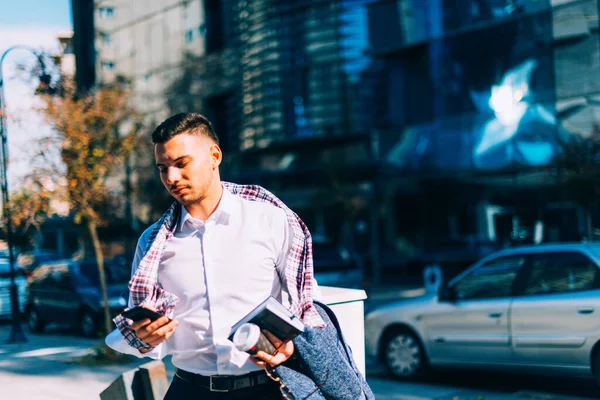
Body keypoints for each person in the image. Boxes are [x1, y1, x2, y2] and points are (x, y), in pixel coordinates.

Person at [106, 112, 325, 399]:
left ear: (214, 155)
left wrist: (292, 345)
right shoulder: (152, 243)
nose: (172, 178)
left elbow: (309, 306)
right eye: (163, 168)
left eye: (182, 164)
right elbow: (147, 337)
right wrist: (144, 339)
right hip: (189, 389)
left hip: (268, 387)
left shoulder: (270, 220)